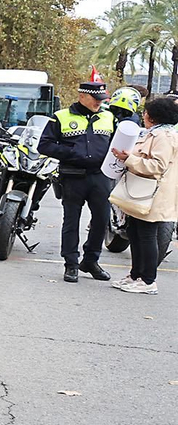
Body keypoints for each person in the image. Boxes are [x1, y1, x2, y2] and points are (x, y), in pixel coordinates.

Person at [38, 80, 117, 283]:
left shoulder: (108, 117)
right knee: (71, 221)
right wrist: (71, 153)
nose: (99, 103)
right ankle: (71, 264)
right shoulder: (61, 117)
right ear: (82, 96)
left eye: (102, 99)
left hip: (100, 176)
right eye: (95, 99)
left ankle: (91, 261)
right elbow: (44, 145)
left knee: (101, 220)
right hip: (73, 176)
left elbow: (116, 143)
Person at [109, 95, 178, 293]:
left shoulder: (163, 137)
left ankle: (148, 280)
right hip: (140, 194)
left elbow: (157, 166)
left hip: (152, 195)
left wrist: (129, 159)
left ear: (153, 116)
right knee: (135, 234)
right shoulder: (152, 134)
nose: (144, 115)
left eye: (146, 112)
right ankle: (135, 275)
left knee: (147, 236)